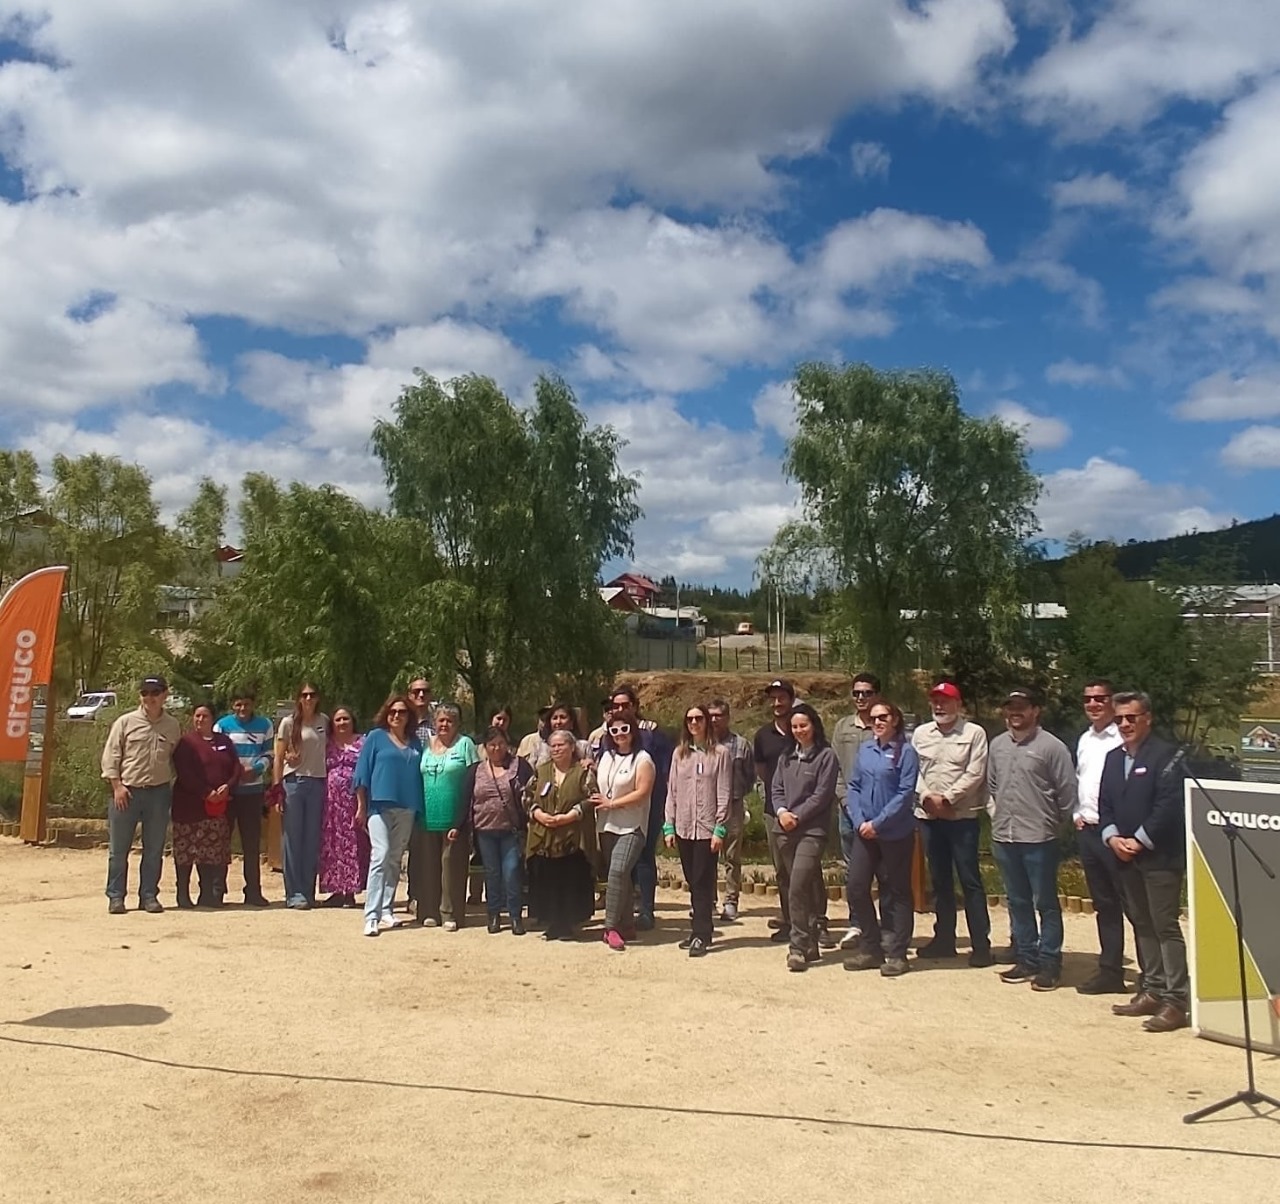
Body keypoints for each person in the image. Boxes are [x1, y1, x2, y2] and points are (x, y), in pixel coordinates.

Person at [1100, 691, 1189, 1033]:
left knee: (1164, 925)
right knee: (1142, 922)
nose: (1124, 724)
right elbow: (1105, 804)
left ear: (1147, 718)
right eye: (1119, 718)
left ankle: (1175, 1001)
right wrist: (1112, 838)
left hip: (1160, 857)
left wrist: (1139, 840)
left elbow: (1168, 806)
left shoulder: (1166, 755)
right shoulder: (1112, 758)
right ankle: (1152, 989)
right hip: (1124, 856)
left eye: (1131, 717)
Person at [987, 687, 1077, 992]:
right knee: (1017, 900)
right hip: (1005, 835)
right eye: (1010, 706)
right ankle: (1026, 957)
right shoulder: (998, 745)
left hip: (1039, 837)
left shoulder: (1052, 747)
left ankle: (1050, 962)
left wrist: (1053, 823)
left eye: (1022, 707)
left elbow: (1067, 792)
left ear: (1035, 710)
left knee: (1046, 902)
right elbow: (992, 785)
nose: (1015, 712)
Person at [911, 681, 992, 967]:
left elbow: (976, 772)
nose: (939, 706)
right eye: (935, 700)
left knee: (970, 882)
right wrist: (926, 797)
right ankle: (944, 939)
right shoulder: (921, 734)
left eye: (945, 701)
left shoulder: (974, 733)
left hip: (961, 818)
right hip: (929, 818)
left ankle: (981, 945)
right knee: (940, 881)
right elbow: (913, 769)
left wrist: (947, 798)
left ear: (958, 704)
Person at [843, 702, 920, 977]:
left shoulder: (906, 753)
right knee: (856, 887)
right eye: (873, 718)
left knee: (898, 891)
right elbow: (854, 786)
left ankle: (898, 954)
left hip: (894, 832)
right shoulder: (866, 750)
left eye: (883, 717)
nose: (877, 721)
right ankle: (871, 948)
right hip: (864, 831)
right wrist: (859, 820)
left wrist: (878, 823)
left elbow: (905, 793)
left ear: (895, 719)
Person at [101, 675, 182, 914]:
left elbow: (176, 758)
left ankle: (149, 896)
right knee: (119, 850)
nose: (149, 698)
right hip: (126, 792)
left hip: (158, 792)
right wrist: (117, 786)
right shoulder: (125, 722)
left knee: (154, 849)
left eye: (155, 693)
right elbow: (111, 756)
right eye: (145, 693)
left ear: (165, 695)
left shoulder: (172, 726)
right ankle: (116, 897)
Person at [770, 701, 841, 972]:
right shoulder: (786, 756)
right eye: (795, 726)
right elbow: (776, 788)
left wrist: (797, 816)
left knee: (799, 884)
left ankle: (797, 946)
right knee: (799, 885)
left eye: (804, 725)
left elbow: (822, 795)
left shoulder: (826, 756)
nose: (799, 730)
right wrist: (781, 812)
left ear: (814, 726)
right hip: (784, 830)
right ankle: (810, 940)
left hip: (811, 830)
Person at [1073, 678, 1131, 995]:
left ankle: (1156, 978)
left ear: (1112, 701)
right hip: (1089, 831)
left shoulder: (1122, 736)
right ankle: (1111, 972)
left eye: (1100, 698)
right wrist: (1077, 814)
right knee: (1105, 906)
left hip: (1117, 833)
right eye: (1088, 699)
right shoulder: (1084, 739)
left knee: (1135, 907)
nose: (1093, 704)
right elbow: (1081, 780)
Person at [353, 694, 424, 937]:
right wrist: (361, 806)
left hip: (407, 806)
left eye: (402, 712)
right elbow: (362, 773)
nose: (396, 715)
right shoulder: (375, 737)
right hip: (378, 806)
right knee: (380, 855)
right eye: (392, 711)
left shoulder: (415, 743)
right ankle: (371, 915)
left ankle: (386, 908)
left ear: (409, 716)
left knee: (394, 858)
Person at [662, 704, 730, 958]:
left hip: (707, 828)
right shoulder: (680, 754)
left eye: (698, 718)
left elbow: (724, 792)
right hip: (683, 826)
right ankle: (701, 928)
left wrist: (720, 828)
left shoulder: (720, 754)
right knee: (693, 880)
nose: (694, 723)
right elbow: (672, 791)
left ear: (706, 722)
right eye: (689, 719)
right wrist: (669, 825)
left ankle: (701, 933)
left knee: (702, 880)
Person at [608, 684, 672, 931]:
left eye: (625, 705)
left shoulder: (652, 734)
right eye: (616, 706)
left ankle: (646, 909)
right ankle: (625, 911)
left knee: (644, 857)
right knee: (621, 861)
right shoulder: (608, 735)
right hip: (615, 809)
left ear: (635, 706)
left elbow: (666, 771)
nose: (620, 709)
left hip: (648, 805)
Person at [591, 713, 655, 951]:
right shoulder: (606, 757)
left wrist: (612, 803)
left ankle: (610, 927)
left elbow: (642, 792)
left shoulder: (643, 759)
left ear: (633, 730)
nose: (620, 734)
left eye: (624, 729)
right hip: (606, 825)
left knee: (617, 871)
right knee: (621, 876)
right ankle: (626, 924)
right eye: (614, 730)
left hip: (632, 825)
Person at [525, 729, 596, 940]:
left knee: (570, 880)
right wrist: (538, 814)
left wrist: (570, 816)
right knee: (548, 880)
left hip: (572, 836)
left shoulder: (582, 772)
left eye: (561, 745)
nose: (556, 749)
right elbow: (526, 796)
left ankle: (568, 924)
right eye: (553, 745)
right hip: (544, 836)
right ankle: (552, 923)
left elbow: (592, 797)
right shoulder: (541, 771)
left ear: (572, 747)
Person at [414, 702, 479, 931]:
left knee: (451, 866)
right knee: (428, 866)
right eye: (441, 720)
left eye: (450, 720)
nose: (445, 724)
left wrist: (462, 819)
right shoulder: (425, 745)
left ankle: (450, 913)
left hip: (454, 818)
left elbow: (474, 780)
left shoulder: (465, 744)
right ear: (434, 722)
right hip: (426, 817)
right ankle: (428, 911)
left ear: (457, 723)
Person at [463, 725, 533, 935]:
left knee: (511, 873)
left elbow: (531, 791)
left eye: (501, 743)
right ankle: (493, 914)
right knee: (492, 874)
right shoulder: (475, 770)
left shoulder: (519, 766)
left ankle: (515, 916)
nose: (497, 748)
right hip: (484, 831)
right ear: (485, 747)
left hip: (511, 831)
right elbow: (467, 799)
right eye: (492, 744)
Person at [170, 703, 240, 908]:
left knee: (210, 853)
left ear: (213, 719)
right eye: (197, 716)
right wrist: (206, 792)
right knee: (186, 853)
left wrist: (228, 786)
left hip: (216, 809)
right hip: (189, 808)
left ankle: (207, 895)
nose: (200, 720)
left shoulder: (224, 741)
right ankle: (183, 895)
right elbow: (185, 772)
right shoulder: (186, 743)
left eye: (205, 716)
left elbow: (236, 767)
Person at [214, 686, 274, 906]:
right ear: (233, 705)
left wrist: (256, 769)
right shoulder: (222, 725)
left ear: (253, 704)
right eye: (238, 704)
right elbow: (216, 755)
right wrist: (234, 772)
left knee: (251, 844)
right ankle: (217, 890)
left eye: (246, 704)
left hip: (252, 791)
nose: (242, 708)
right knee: (222, 842)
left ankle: (253, 891)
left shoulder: (265, 725)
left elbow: (269, 753)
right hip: (228, 792)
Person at [273, 682, 329, 910]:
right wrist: (277, 789)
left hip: (318, 782)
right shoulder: (288, 723)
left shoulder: (324, 721)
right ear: (298, 698)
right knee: (293, 839)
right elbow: (278, 757)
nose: (308, 699)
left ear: (317, 698)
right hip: (294, 783)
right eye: (304, 695)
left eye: (312, 695)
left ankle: (308, 890)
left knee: (312, 839)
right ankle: (294, 892)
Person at [754, 679, 797, 943]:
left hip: (803, 810)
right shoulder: (762, 736)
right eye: (774, 699)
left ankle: (817, 921)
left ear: (791, 699)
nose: (777, 703)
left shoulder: (802, 728)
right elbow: (761, 771)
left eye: (782, 698)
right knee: (782, 870)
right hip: (774, 810)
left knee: (807, 869)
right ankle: (790, 921)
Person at [709, 699, 753, 922]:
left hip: (733, 805)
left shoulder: (741, 744)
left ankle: (731, 900)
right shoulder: (702, 744)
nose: (714, 719)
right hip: (707, 807)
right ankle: (708, 901)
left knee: (732, 856)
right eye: (711, 715)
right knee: (706, 857)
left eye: (719, 715)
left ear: (727, 718)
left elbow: (750, 776)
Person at [319, 706, 368, 908]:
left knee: (354, 844)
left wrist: (363, 805)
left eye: (345, 719)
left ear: (353, 721)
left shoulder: (363, 742)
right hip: (330, 802)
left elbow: (366, 771)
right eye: (338, 719)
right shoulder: (326, 743)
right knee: (331, 844)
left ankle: (351, 891)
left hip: (353, 800)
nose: (342, 723)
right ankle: (336, 891)